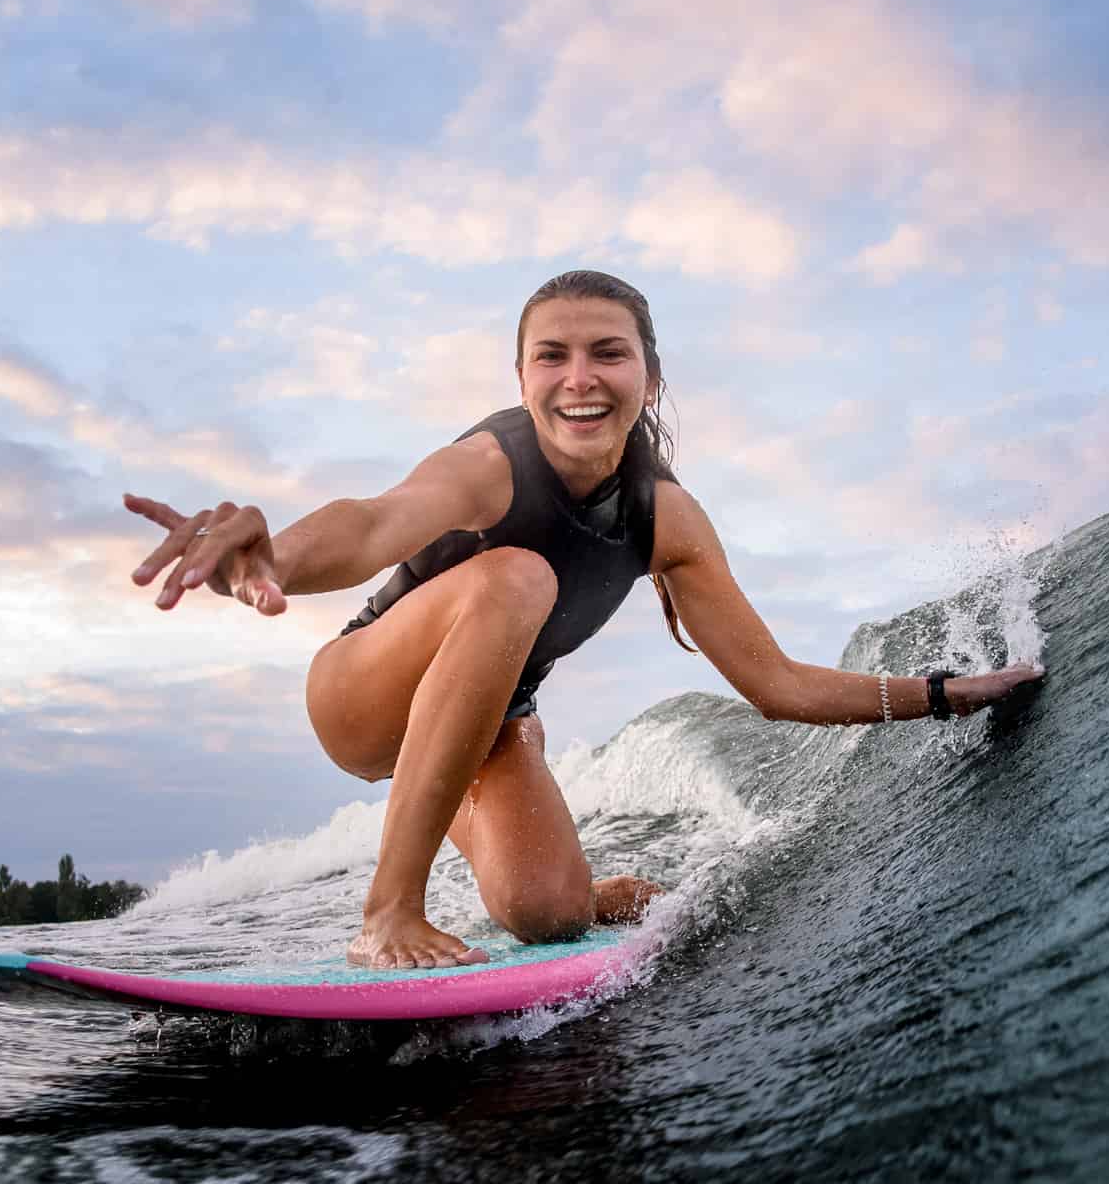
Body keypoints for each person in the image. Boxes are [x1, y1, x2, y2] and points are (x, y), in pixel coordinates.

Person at [126, 270, 1046, 969]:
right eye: (551, 356)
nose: (580, 379)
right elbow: (371, 524)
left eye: (608, 352)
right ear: (521, 374)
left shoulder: (667, 520)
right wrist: (275, 557)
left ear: (649, 373)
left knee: (548, 914)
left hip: (485, 722)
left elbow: (777, 683)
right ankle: (389, 911)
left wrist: (942, 694)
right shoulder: (490, 464)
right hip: (363, 692)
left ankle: (577, 886)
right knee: (517, 578)